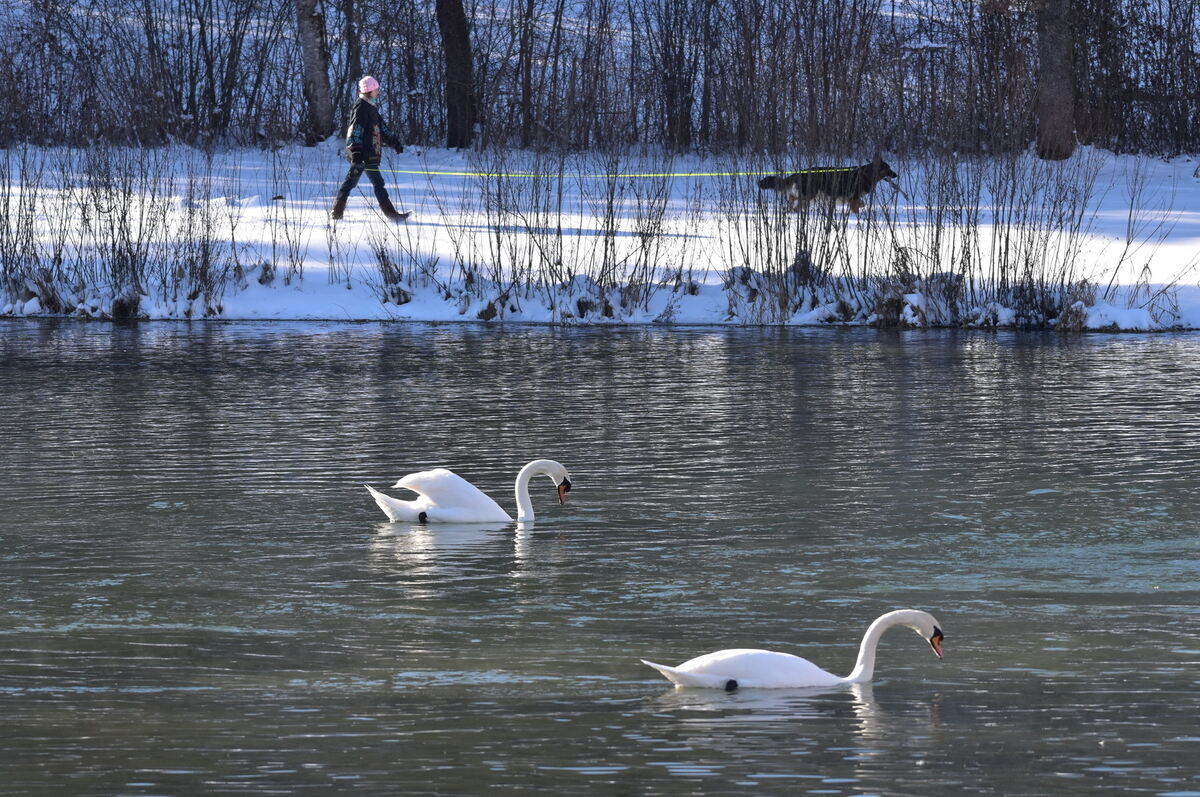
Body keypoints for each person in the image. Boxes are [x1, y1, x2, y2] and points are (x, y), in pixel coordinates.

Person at [331, 76, 408, 221]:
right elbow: (355, 130)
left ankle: (392, 214)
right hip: (361, 154)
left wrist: (394, 141)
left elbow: (382, 128)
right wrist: (356, 151)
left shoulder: (371, 107)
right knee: (351, 182)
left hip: (370, 154)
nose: (378, 92)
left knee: (375, 183)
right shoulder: (361, 107)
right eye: (376, 89)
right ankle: (336, 212)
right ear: (370, 91)